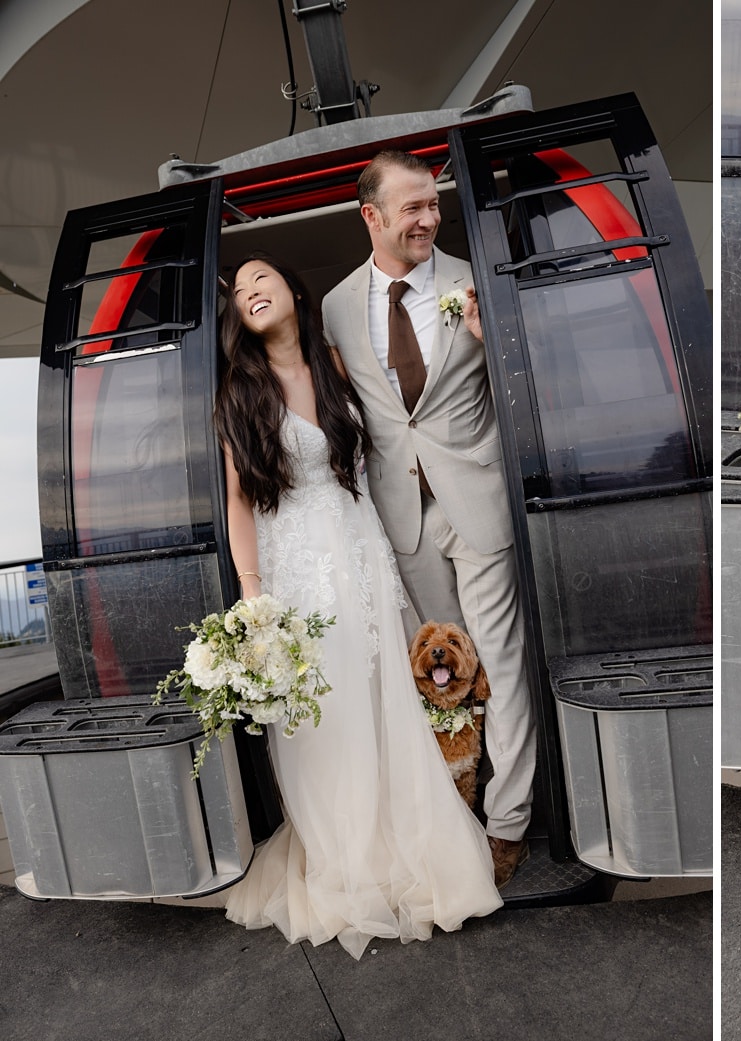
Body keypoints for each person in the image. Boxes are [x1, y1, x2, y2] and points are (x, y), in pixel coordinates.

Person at [217, 253, 501, 959]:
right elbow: (238, 500)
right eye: (242, 290)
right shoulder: (239, 393)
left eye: (264, 279)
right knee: (327, 715)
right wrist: (254, 596)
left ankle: (412, 841)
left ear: (293, 291)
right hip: (299, 572)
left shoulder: (340, 368)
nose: (253, 292)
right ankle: (344, 859)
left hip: (365, 549)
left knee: (384, 704)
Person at [320, 150, 534, 887]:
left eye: (433, 204)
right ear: (371, 217)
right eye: (411, 207)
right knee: (441, 678)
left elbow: (531, 376)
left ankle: (508, 825)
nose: (428, 217)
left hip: (476, 500)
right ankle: (457, 819)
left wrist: (489, 341)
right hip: (401, 515)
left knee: (498, 669)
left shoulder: (474, 280)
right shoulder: (337, 306)